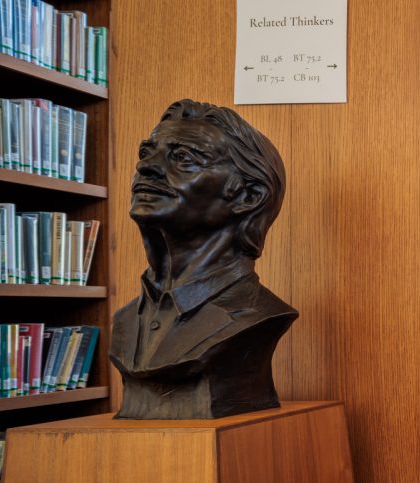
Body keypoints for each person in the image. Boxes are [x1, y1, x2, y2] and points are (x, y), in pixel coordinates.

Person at [110, 99, 297, 419]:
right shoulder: (123, 323)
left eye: (183, 157)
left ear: (248, 195)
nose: (146, 166)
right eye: (146, 152)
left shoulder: (257, 318)